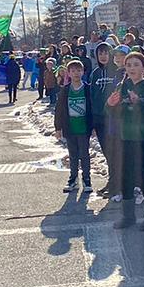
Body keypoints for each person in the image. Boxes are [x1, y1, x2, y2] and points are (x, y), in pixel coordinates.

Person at [106, 52, 144, 230]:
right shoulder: (123, 85)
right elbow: (113, 112)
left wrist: (139, 104)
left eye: (136, 65)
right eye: (128, 65)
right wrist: (110, 104)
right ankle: (128, 216)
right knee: (125, 176)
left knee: (142, 176)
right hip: (125, 136)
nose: (132, 68)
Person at [55, 60, 94, 193]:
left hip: (84, 128)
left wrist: (93, 126)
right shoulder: (65, 90)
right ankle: (73, 179)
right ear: (69, 73)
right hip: (70, 128)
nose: (76, 73)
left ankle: (87, 179)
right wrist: (58, 128)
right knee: (73, 155)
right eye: (73, 71)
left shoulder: (88, 89)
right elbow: (59, 110)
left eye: (79, 70)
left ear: (83, 72)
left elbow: (92, 108)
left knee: (84, 154)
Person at [101, 44, 131, 201]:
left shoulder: (128, 74)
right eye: (116, 55)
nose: (117, 58)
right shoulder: (116, 74)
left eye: (121, 55)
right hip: (114, 119)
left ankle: (121, 187)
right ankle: (114, 184)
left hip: (124, 122)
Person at [89, 43, 117, 195]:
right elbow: (93, 96)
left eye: (106, 53)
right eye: (100, 53)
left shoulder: (118, 71)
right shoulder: (95, 73)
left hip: (114, 119)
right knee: (107, 152)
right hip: (100, 118)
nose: (103, 56)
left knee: (115, 152)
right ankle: (112, 181)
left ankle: (117, 184)